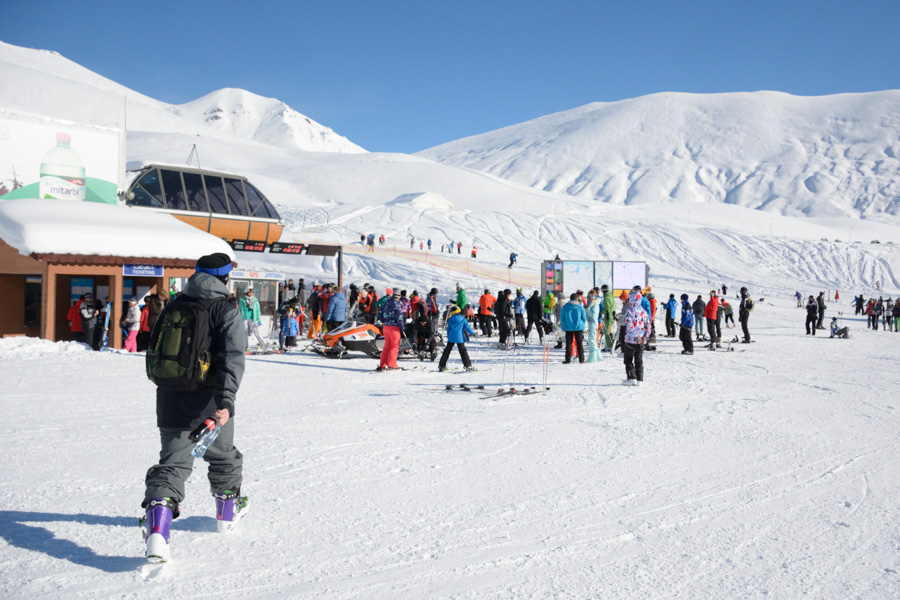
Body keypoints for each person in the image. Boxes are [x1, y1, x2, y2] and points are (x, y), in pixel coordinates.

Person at [141, 252, 247, 561]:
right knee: (224, 458)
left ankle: (158, 533)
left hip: (171, 398)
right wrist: (226, 402)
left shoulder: (175, 305)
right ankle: (227, 517)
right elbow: (232, 359)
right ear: (225, 277)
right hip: (211, 403)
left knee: (173, 466)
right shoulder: (225, 310)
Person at [622, 289, 650, 384]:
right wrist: (645, 337)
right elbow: (648, 325)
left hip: (631, 340)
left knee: (628, 359)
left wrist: (636, 337)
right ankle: (640, 379)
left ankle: (631, 378)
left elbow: (630, 325)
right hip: (641, 340)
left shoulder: (629, 311)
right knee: (639, 360)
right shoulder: (643, 311)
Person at [438, 304, 476, 372]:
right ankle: (468, 365)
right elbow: (467, 328)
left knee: (447, 351)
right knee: (463, 352)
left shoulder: (450, 319)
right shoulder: (463, 319)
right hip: (459, 338)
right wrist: (473, 334)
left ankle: (441, 365)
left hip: (451, 337)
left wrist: (448, 336)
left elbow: (448, 328)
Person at [377, 289, 404, 371]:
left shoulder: (387, 302)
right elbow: (399, 316)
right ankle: (392, 364)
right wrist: (402, 326)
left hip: (386, 326)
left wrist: (382, 320)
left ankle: (382, 364)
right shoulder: (397, 304)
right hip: (394, 327)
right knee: (395, 346)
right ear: (398, 297)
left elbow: (380, 311)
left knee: (387, 346)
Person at [560, 293, 587, 364]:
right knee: (579, 344)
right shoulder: (580, 307)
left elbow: (562, 318)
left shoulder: (565, 306)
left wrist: (564, 327)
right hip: (579, 328)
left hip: (568, 328)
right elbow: (584, 318)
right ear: (577, 298)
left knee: (568, 344)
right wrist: (581, 325)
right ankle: (581, 359)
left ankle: (568, 359)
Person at [585, 288, 602, 362]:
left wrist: (588, 310)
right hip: (592, 324)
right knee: (593, 340)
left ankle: (593, 357)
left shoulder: (594, 305)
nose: (588, 300)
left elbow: (593, 315)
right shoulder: (593, 304)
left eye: (589, 298)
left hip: (593, 324)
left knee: (591, 340)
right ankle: (597, 356)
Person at [600, 285, 616, 351]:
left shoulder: (606, 298)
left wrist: (600, 313)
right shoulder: (611, 296)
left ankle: (609, 346)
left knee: (607, 332)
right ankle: (610, 345)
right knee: (610, 331)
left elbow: (607, 308)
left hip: (608, 317)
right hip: (611, 316)